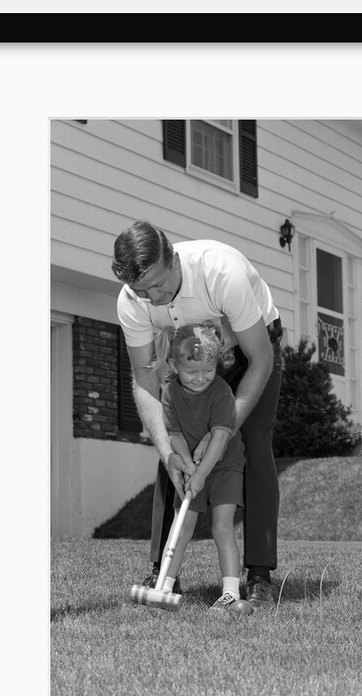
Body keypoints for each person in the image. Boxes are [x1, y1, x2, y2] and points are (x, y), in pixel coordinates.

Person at [111, 220, 283, 611]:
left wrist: (220, 436)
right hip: (188, 358)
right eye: (141, 291)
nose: (152, 298)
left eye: (159, 285)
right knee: (173, 442)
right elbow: (145, 382)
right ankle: (163, 570)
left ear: (173, 259)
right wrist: (169, 450)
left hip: (248, 351)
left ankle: (258, 575)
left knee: (252, 444)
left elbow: (261, 360)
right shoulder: (131, 302)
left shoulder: (221, 272)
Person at [151, 321, 245, 612]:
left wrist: (203, 473)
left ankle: (230, 591)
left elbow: (220, 436)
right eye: (192, 372)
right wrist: (189, 466)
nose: (201, 378)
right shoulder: (169, 394)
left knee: (221, 526)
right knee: (182, 528)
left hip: (225, 464)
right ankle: (165, 586)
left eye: (208, 370)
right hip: (193, 466)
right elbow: (175, 434)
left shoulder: (220, 392)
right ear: (174, 366)